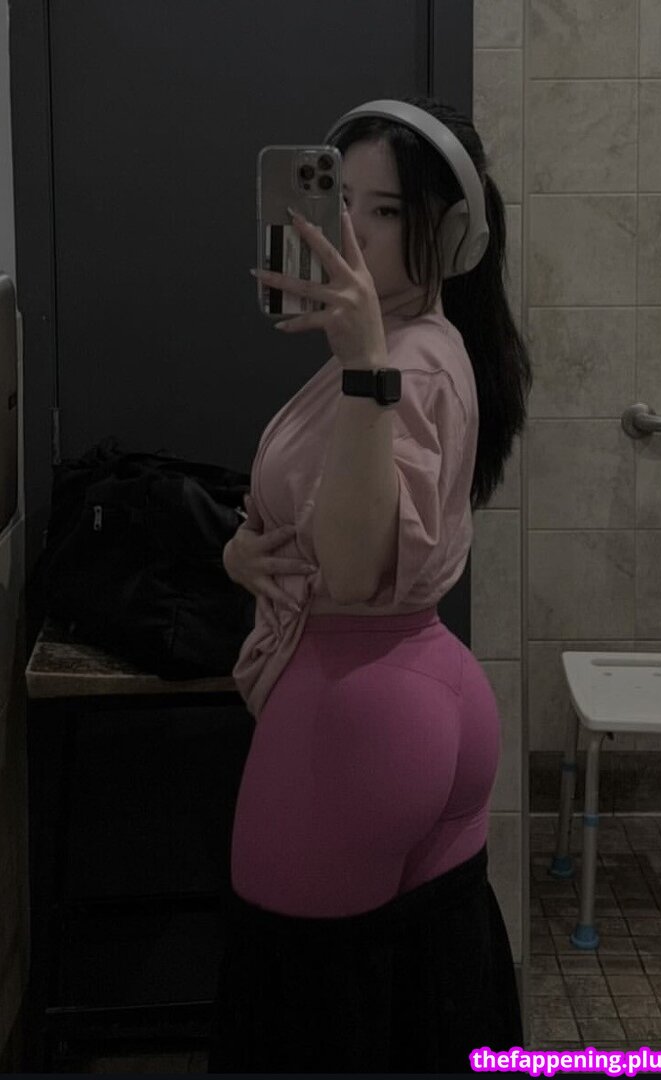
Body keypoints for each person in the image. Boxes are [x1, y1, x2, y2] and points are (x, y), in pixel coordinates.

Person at [207, 94, 532, 1073]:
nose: (348, 227)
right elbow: (327, 528)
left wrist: (360, 364)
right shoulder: (421, 344)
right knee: (421, 1007)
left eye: (383, 210)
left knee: (303, 1017)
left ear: (450, 234)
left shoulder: (403, 364)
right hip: (418, 699)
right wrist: (238, 553)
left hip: (356, 716)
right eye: (336, 198)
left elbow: (350, 570)